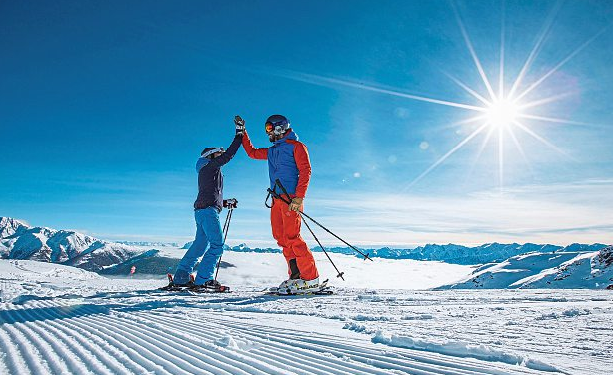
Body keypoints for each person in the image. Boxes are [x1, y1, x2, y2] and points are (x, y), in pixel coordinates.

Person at [239, 114, 321, 294]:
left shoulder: (296, 147)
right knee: (281, 238)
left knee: (293, 237)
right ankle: (296, 275)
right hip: (276, 199)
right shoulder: (272, 151)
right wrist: (242, 132)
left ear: (280, 128)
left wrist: (299, 198)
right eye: (266, 129)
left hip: (291, 198)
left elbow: (305, 171)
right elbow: (252, 153)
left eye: (270, 128)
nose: (268, 132)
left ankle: (310, 278)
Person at [172, 118, 244, 290]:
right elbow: (229, 155)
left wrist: (225, 203)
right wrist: (239, 135)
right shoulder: (210, 167)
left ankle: (181, 277)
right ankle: (203, 279)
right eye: (218, 153)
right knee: (217, 245)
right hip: (208, 212)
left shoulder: (207, 170)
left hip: (202, 211)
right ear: (211, 156)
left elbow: (210, 195)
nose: (221, 155)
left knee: (199, 245)